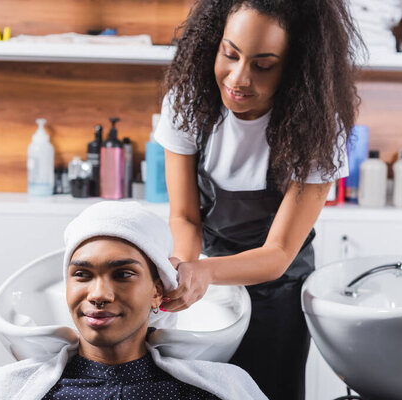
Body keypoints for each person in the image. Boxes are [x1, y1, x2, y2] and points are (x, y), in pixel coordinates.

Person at [155, 1, 363, 399]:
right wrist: (183, 267)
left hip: (278, 292)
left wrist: (205, 271)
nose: (238, 78)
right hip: (210, 286)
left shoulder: (318, 129)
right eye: (229, 54)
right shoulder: (187, 104)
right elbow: (184, 217)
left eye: (263, 65)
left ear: (296, 67)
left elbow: (279, 251)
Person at [0, 202, 267, 400]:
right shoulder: (5, 391)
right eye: (82, 274)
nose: (98, 294)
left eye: (123, 275)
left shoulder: (211, 393)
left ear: (158, 292)